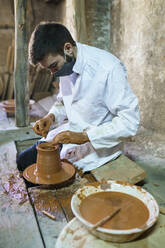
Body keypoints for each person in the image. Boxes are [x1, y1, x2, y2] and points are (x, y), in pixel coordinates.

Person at [17, 21, 140, 173]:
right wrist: (51, 117)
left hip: (98, 143)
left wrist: (84, 136)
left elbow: (130, 122)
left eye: (54, 66)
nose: (52, 73)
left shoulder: (109, 68)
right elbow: (64, 101)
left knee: (49, 176)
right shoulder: (67, 61)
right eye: (49, 69)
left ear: (67, 48)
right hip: (70, 133)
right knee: (23, 161)